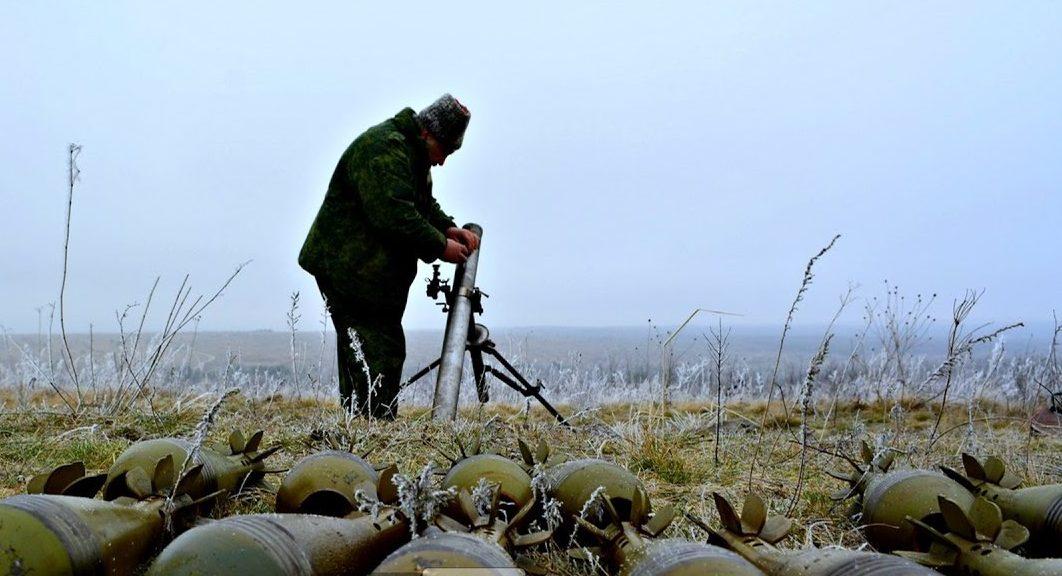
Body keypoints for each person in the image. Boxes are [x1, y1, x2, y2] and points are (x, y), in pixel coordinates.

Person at [298, 94, 479, 418]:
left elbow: (421, 205)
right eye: (445, 150)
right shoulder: (385, 149)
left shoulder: (411, 154)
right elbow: (394, 215)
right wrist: (441, 246)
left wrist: (448, 228)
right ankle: (373, 426)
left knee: (366, 351)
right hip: (349, 270)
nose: (443, 161)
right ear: (428, 133)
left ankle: (361, 425)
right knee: (377, 352)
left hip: (367, 274)